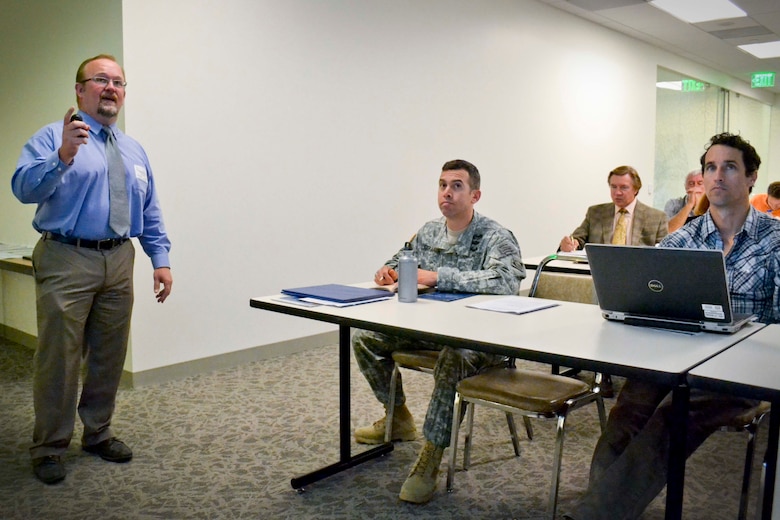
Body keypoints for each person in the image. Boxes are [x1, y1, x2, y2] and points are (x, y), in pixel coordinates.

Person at [564, 133, 780, 520]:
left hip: (741, 367)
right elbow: (647, 291)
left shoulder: (776, 242)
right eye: (710, 167)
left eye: (729, 167)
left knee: (670, 418)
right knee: (627, 411)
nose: (717, 176)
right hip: (677, 354)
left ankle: (593, 515)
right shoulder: (686, 238)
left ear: (751, 177)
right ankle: (605, 505)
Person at [11, 54, 173, 485]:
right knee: (59, 357)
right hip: (68, 256)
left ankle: (97, 433)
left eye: (118, 82)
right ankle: (49, 446)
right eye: (100, 80)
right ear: (80, 90)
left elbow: (148, 207)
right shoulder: (53, 137)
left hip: (120, 257)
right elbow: (22, 188)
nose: (110, 88)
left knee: (108, 354)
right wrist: (63, 155)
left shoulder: (134, 149)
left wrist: (161, 259)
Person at [352, 159, 525, 504]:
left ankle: (431, 452)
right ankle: (398, 416)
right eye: (443, 184)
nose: (447, 192)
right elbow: (399, 258)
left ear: (475, 195)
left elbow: (507, 281)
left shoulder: (496, 236)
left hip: (481, 338)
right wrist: (387, 271)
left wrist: (438, 276)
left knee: (453, 359)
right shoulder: (429, 231)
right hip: (433, 327)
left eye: (457, 185)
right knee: (364, 336)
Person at [559, 165, 668, 252]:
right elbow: (578, 239)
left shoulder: (656, 218)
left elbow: (663, 254)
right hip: (600, 272)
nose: (617, 192)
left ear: (636, 189)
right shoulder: (596, 213)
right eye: (613, 187)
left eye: (624, 187)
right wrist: (570, 244)